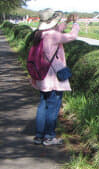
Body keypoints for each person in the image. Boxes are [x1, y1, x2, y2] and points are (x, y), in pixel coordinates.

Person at [31, 9, 79, 145]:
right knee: (53, 107)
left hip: (42, 77)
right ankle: (49, 137)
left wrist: (66, 22)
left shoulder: (39, 34)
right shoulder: (52, 35)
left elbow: (56, 30)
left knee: (43, 105)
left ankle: (39, 136)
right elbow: (71, 36)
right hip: (53, 79)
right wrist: (75, 24)